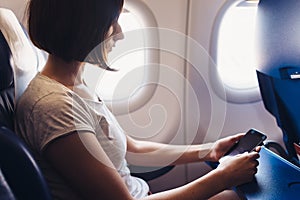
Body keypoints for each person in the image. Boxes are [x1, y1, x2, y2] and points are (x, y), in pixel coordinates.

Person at [15, 0, 260, 199]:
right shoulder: (54, 108)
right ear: (81, 27)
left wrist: (209, 151)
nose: (119, 34)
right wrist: (224, 177)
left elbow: (134, 149)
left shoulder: (76, 86)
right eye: (111, 23)